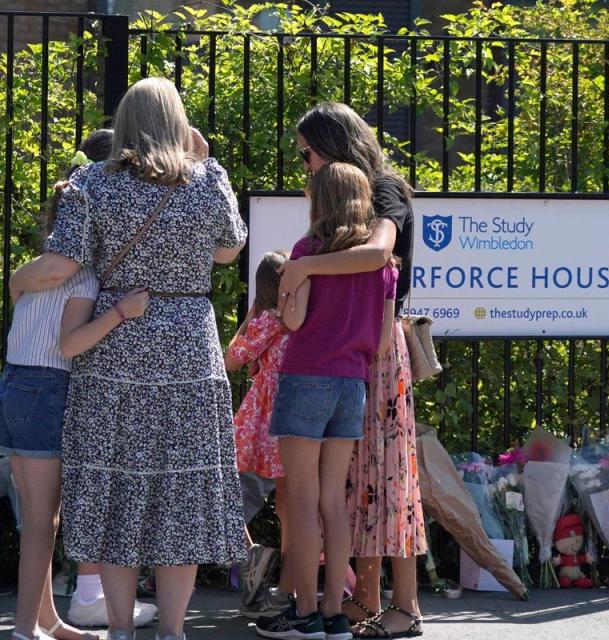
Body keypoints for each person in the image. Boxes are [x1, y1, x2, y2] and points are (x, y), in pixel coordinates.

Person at [8, 77, 248, 640]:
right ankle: (172, 630)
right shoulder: (207, 180)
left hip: (118, 344)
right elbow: (229, 250)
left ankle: (119, 629)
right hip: (190, 346)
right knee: (181, 493)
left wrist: (19, 280)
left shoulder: (92, 183)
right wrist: (207, 160)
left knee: (117, 490)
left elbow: (64, 262)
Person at [279, 102, 427, 639]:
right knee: (357, 483)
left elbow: (379, 251)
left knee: (387, 475)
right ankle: (363, 599)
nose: (307, 166)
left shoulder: (385, 189)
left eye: (309, 154)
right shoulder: (352, 197)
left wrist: (306, 266)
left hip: (375, 351)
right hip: (360, 350)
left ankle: (405, 605)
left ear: (333, 146)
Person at [0, 130, 149, 640]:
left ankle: (46, 620)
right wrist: (122, 313)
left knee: (39, 519)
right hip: (46, 389)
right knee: (43, 523)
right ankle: (25, 630)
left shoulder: (38, 273)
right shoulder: (82, 278)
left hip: (13, 387)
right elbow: (70, 345)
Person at [256, 162, 397, 640]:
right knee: (335, 502)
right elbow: (380, 343)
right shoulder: (383, 267)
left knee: (300, 499)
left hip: (306, 377)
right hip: (351, 383)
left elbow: (292, 322)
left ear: (321, 199)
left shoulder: (307, 251)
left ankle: (304, 611)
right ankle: (336, 613)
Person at [224, 250, 294, 619]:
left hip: (260, 421)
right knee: (289, 506)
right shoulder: (299, 319)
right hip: (293, 416)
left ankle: (252, 559)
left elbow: (231, 359)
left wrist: (249, 317)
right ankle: (284, 583)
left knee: (223, 498)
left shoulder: (267, 320)